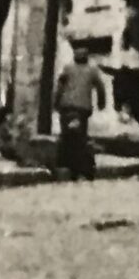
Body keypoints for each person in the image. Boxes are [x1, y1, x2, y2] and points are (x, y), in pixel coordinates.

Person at [53, 48, 106, 181]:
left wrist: (56, 102)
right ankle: (81, 167)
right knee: (81, 138)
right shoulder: (92, 70)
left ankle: (66, 164)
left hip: (66, 107)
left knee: (66, 136)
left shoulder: (67, 69)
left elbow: (60, 86)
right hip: (82, 109)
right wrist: (101, 103)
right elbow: (100, 87)